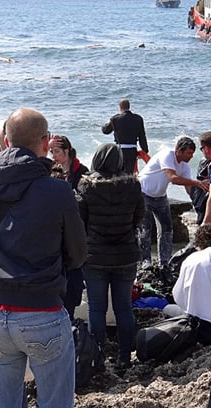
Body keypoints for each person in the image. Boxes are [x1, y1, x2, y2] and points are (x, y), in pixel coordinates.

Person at [0, 107, 87, 408]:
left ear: (5, 142)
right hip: (42, 309)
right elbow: (77, 255)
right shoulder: (59, 191)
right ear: (45, 143)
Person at [77, 143, 144, 369]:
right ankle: (125, 356)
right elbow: (139, 217)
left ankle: (99, 356)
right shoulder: (133, 185)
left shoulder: (87, 186)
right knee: (123, 307)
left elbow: (81, 221)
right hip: (125, 254)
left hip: (95, 255)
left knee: (96, 309)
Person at [137, 137, 208, 266]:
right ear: (178, 151)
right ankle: (145, 261)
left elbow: (189, 189)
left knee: (167, 229)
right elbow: (173, 178)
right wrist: (197, 182)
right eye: (189, 153)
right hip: (143, 193)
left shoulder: (185, 166)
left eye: (192, 153)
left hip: (160, 196)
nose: (191, 156)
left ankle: (165, 261)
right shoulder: (167, 155)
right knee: (145, 229)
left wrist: (200, 205)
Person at [48, 134, 88, 319]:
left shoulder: (82, 172)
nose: (53, 155)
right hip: (56, 236)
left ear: (67, 151)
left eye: (56, 151)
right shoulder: (51, 171)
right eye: (51, 151)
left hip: (76, 232)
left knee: (73, 286)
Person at [102, 98, 149, 173]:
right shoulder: (138, 118)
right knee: (130, 174)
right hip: (132, 150)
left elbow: (105, 131)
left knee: (119, 173)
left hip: (120, 150)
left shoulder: (115, 119)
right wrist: (145, 150)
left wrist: (109, 121)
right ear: (129, 107)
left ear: (120, 107)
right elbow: (142, 136)